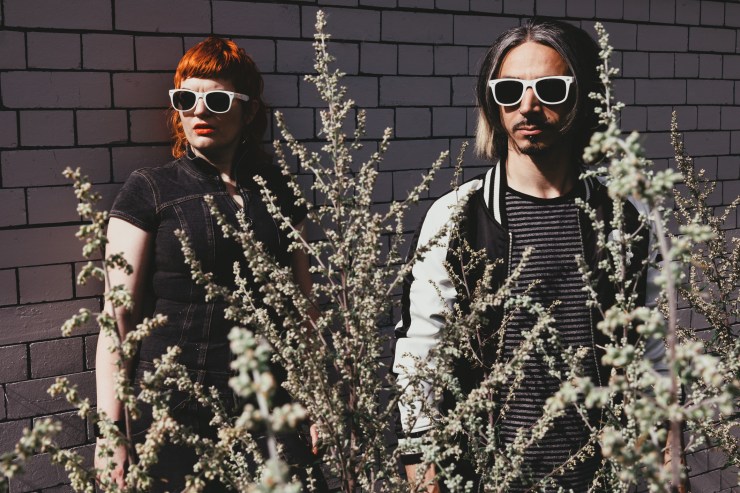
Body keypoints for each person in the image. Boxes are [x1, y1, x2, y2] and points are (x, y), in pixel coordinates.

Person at [392, 18, 667, 492]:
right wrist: (421, 457)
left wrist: (664, 441)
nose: (528, 106)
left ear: (583, 99)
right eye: (509, 90)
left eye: (551, 89)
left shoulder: (628, 216)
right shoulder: (458, 216)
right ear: (492, 103)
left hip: (600, 478)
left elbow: (656, 345)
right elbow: (421, 348)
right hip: (485, 477)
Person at [95, 37, 322, 491]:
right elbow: (117, 321)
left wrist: (317, 402)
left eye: (217, 100)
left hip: (267, 399)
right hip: (176, 405)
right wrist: (110, 434)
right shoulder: (150, 189)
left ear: (248, 111)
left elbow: (304, 309)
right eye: (186, 99)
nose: (199, 111)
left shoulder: (277, 191)